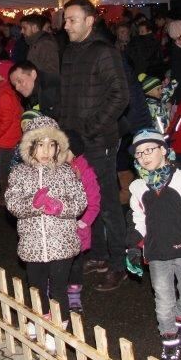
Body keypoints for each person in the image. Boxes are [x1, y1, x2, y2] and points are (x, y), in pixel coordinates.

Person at [59, 0, 130, 292]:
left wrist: (90, 128)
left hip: (99, 140)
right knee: (88, 201)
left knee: (110, 204)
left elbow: (120, 96)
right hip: (76, 143)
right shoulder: (71, 52)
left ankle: (120, 264)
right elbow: (68, 98)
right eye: (65, 19)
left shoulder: (104, 52)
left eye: (72, 19)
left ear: (90, 21)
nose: (66, 25)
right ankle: (99, 255)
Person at [4, 116, 87, 351]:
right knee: (36, 285)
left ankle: (57, 328)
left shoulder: (66, 172)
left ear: (58, 146)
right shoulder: (19, 173)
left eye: (51, 145)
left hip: (62, 242)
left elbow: (80, 201)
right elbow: (12, 203)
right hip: (32, 243)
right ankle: (38, 319)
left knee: (59, 286)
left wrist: (60, 207)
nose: (46, 151)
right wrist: (34, 203)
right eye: (40, 144)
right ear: (29, 147)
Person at [124, 130, 181, 360]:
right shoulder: (137, 187)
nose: (144, 156)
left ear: (163, 150)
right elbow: (138, 218)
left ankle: (180, 320)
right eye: (139, 153)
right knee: (163, 299)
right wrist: (133, 246)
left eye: (149, 149)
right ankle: (169, 340)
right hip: (156, 252)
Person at [64, 129, 100, 314]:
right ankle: (53, 290)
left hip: (78, 228)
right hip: (60, 227)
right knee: (57, 261)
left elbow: (94, 203)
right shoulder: (56, 170)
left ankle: (74, 294)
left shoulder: (85, 172)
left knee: (76, 264)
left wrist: (84, 222)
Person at [0, 59, 23, 207]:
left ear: (4, 76)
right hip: (8, 137)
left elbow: (6, 119)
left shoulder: (5, 94)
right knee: (8, 167)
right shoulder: (1, 89)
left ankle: (6, 197)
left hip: (7, 138)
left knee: (5, 169)